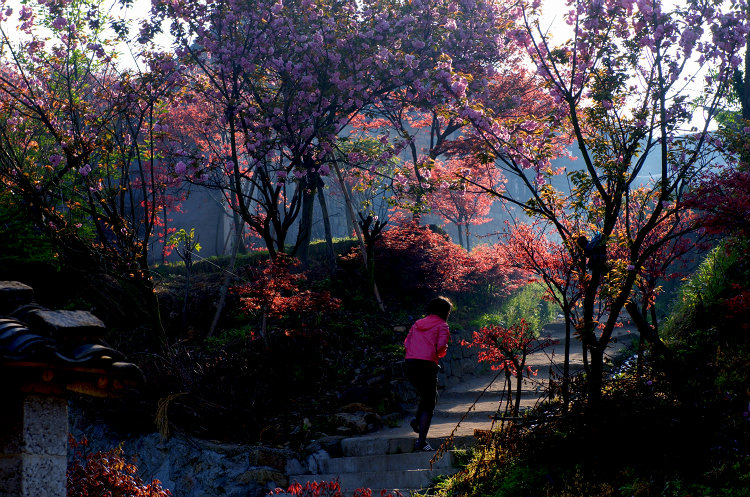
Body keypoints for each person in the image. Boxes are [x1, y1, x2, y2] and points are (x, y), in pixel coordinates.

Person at [403, 296, 452, 451]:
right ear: (445, 312)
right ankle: (421, 441)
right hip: (427, 365)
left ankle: (416, 421)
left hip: (410, 364)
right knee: (429, 402)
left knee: (428, 396)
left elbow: (406, 343)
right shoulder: (442, 325)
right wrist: (439, 353)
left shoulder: (417, 324)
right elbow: (441, 348)